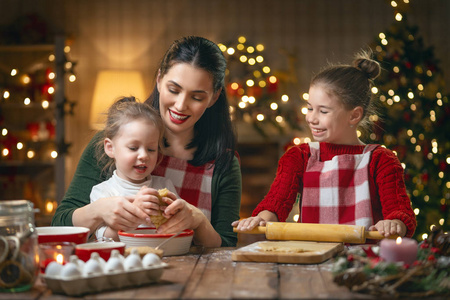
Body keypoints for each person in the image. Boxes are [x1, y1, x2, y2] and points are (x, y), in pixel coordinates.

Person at [52, 36, 241, 247]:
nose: (180, 105)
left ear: (214, 97)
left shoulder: (223, 163)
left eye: (196, 97)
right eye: (174, 90)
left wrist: (199, 222)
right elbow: (60, 225)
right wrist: (99, 210)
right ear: (159, 80)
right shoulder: (113, 144)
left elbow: (227, 245)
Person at [232, 50, 416, 238]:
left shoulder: (381, 160)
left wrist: (394, 223)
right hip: (313, 258)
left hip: (360, 262)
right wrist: (261, 218)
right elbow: (275, 204)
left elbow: (400, 213)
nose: (311, 118)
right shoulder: (300, 157)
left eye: (323, 111)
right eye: (310, 108)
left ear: (354, 115)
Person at [90, 96, 180, 241]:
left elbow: (178, 230)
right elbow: (104, 238)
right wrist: (137, 214)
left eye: (151, 149)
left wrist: (173, 214)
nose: (144, 155)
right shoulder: (103, 192)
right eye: (133, 148)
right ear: (110, 148)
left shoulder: (165, 185)